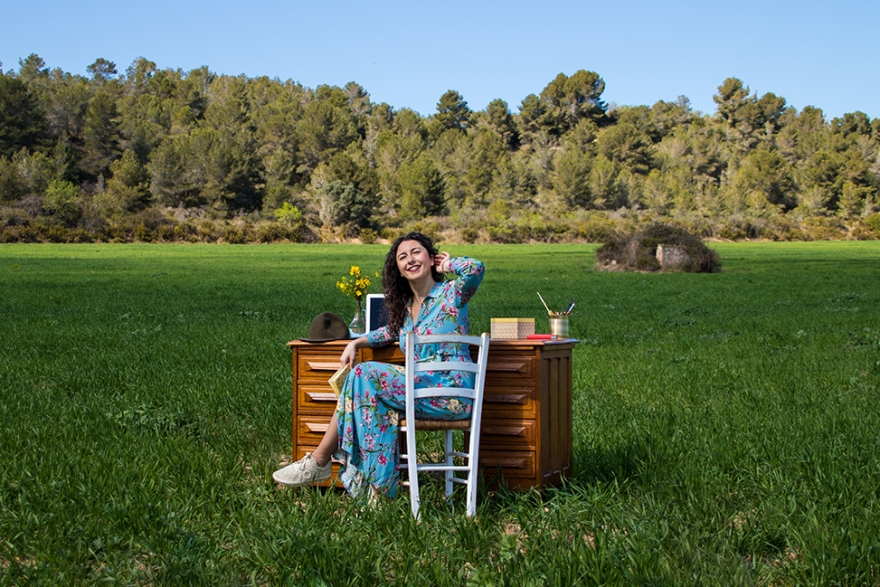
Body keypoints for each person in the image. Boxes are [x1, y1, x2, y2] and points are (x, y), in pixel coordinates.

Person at [273, 232, 484, 501]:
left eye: (416, 252)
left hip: (451, 396)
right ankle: (379, 494)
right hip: (418, 393)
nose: (410, 260)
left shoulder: (452, 294)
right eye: (402, 257)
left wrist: (448, 265)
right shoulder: (408, 308)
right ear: (398, 269)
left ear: (431, 258)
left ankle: (320, 460)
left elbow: (476, 269)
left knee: (363, 374)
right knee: (373, 403)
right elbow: (388, 332)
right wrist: (357, 342)